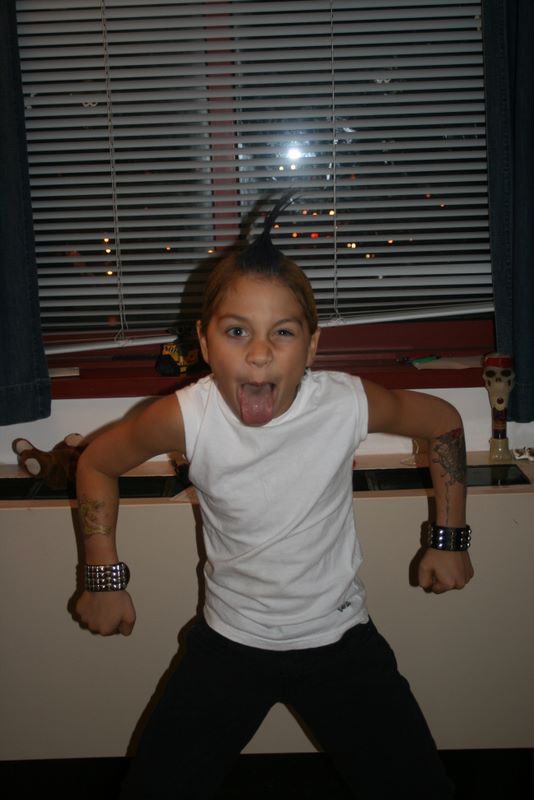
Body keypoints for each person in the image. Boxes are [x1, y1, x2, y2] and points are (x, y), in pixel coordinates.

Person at [74, 194, 474, 799]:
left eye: (282, 333)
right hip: (228, 645)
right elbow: (97, 463)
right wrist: (103, 577)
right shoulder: (184, 416)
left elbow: (443, 422)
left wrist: (449, 540)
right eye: (237, 331)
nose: (259, 353)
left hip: (340, 640)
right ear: (205, 342)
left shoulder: (344, 403)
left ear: (311, 348)